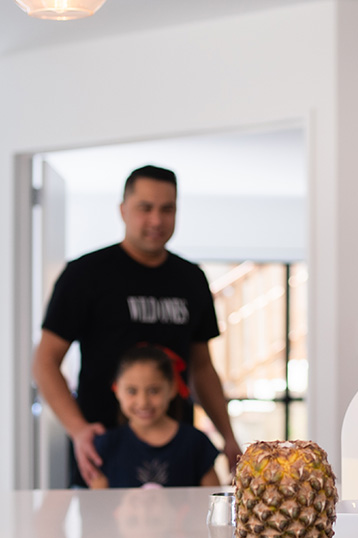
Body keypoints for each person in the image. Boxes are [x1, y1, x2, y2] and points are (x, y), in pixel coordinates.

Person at [32, 164, 241, 488]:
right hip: (104, 456)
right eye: (145, 208)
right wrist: (78, 430)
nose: (156, 220)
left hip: (178, 458)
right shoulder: (85, 274)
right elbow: (45, 361)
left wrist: (228, 435)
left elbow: (202, 367)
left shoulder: (191, 278)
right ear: (123, 210)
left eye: (167, 209)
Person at [87, 345, 219, 488]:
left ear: (172, 388)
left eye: (154, 391)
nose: (143, 402)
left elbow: (213, 497)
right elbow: (98, 499)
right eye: (132, 391)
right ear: (117, 390)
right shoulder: (106, 445)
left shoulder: (196, 443)